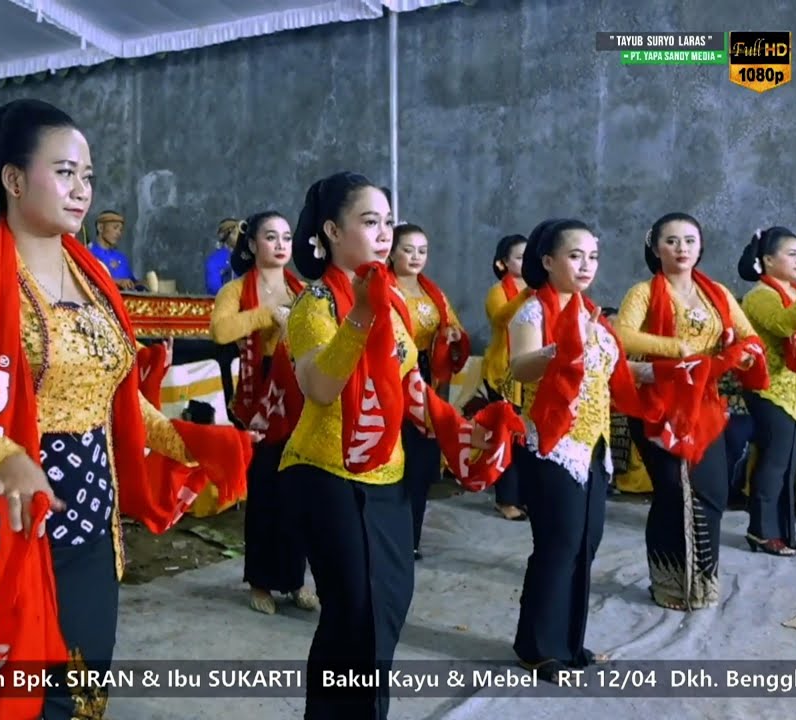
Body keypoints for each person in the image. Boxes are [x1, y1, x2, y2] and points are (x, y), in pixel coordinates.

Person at [0, 99, 250, 720]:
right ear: (12, 180)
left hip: (91, 522)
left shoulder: (92, 277)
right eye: (64, 173)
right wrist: (3, 456)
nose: (82, 189)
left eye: (86, 175)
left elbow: (110, 396)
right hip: (6, 523)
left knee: (83, 697)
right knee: (18, 705)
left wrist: (187, 441)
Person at [281, 172, 518, 718]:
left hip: (389, 474)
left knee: (384, 607)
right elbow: (319, 387)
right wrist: (361, 314)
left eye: (388, 221)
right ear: (331, 231)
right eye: (370, 222)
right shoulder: (315, 303)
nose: (385, 233)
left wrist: (461, 430)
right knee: (353, 613)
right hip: (326, 473)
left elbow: (409, 384)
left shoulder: (389, 303)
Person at [507, 218, 660, 681]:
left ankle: (568, 642)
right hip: (552, 446)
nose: (586, 265)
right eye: (575, 256)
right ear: (548, 261)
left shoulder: (592, 315)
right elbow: (520, 367)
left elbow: (613, 373)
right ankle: (537, 646)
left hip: (593, 444)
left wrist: (671, 371)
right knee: (558, 545)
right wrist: (558, 350)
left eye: (593, 256)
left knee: (585, 544)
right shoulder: (532, 312)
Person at [614, 212, 767, 610]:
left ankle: (702, 582)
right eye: (671, 241)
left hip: (704, 404)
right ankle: (669, 583)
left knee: (712, 491)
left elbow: (749, 336)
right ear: (655, 248)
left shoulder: (717, 293)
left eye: (689, 240)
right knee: (673, 492)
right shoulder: (643, 293)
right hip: (659, 404)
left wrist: (741, 353)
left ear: (700, 247)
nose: (681, 248)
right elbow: (622, 336)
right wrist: (675, 349)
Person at [209, 210, 316, 615]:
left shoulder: (302, 289)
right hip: (259, 398)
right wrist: (267, 315)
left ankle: (295, 580)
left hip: (299, 395)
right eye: (271, 237)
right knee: (265, 492)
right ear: (252, 244)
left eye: (286, 237)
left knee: (299, 490)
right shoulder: (236, 290)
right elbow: (220, 331)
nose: (281, 244)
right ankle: (260, 581)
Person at [737, 226, 796, 556]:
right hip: (770, 391)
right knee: (774, 462)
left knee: (789, 464)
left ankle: (785, 531)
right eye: (791, 254)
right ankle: (761, 531)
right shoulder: (760, 296)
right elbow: (786, 324)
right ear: (768, 260)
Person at [388, 222, 469, 560]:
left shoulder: (433, 293)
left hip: (426, 381)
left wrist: (451, 336)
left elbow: (454, 326)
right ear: (391, 252)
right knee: (393, 460)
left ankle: (411, 539)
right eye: (408, 250)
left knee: (420, 463)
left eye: (422, 251)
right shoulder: (383, 288)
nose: (416, 256)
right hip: (392, 379)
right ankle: (388, 539)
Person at [483, 234, 531, 520]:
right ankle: (506, 499)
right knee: (507, 438)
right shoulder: (497, 291)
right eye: (520, 257)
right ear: (502, 263)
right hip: (504, 375)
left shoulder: (544, 289)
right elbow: (502, 319)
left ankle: (526, 496)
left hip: (533, 374)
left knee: (528, 439)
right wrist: (528, 294)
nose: (527, 262)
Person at [88, 210, 137, 289]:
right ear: (100, 228)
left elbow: (132, 282)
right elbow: (88, 281)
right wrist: (117, 282)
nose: (119, 233)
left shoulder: (122, 257)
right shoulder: (88, 254)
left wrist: (143, 283)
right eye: (115, 228)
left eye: (120, 230)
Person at [205, 217, 241, 294]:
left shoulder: (246, 258)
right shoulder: (215, 261)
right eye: (235, 233)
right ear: (224, 235)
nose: (239, 237)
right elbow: (214, 289)